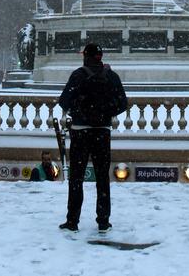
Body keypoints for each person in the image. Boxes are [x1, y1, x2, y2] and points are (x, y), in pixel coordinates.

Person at [57, 43, 128, 233]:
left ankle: (72, 221)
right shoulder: (111, 76)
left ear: (85, 56)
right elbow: (123, 103)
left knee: (76, 178)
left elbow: (63, 101)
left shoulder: (78, 75)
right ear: (101, 56)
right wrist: (106, 112)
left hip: (80, 131)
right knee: (102, 177)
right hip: (102, 132)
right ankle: (103, 221)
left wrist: (79, 111)